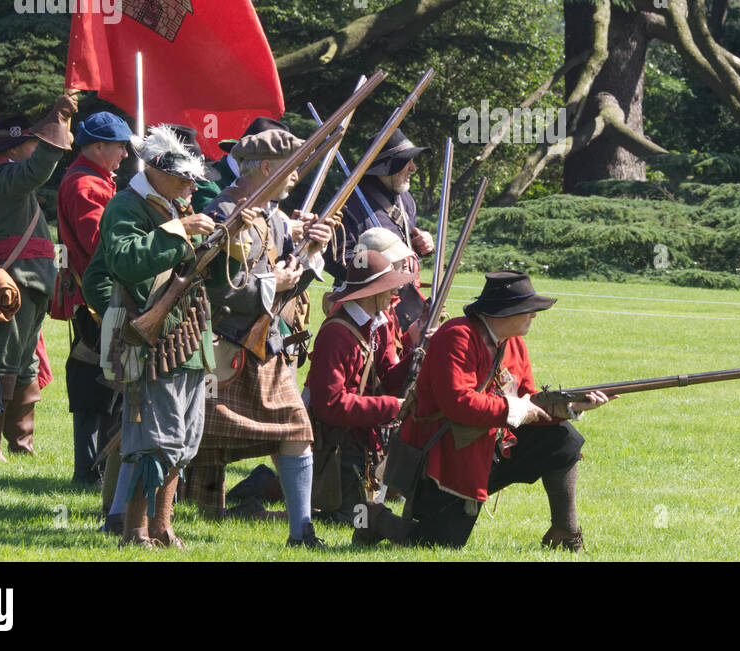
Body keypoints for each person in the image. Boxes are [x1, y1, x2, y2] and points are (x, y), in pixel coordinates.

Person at [364, 272, 609, 550]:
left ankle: (565, 531)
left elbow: (528, 401)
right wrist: (516, 408)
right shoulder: (456, 336)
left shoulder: (512, 341)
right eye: (528, 311)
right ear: (505, 312)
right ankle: (377, 519)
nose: (534, 317)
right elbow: (459, 404)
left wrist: (568, 408)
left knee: (563, 438)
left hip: (489, 447)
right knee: (441, 543)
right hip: (445, 457)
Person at [190, 129, 333, 548]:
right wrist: (272, 283)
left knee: (297, 432)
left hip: (263, 345)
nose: (296, 178)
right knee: (178, 439)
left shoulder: (271, 214)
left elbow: (287, 278)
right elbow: (216, 289)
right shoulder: (225, 212)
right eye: (291, 169)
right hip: (224, 347)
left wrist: (310, 250)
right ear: (268, 168)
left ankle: (301, 532)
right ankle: (125, 517)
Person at [82, 123, 219, 548]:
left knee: (182, 441)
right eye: (183, 177)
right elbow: (122, 263)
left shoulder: (176, 207)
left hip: (189, 338)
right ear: (156, 169)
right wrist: (123, 317)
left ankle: (163, 524)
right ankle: (135, 529)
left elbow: (214, 279)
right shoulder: (128, 206)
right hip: (151, 341)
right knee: (152, 439)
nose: (190, 186)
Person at [0, 92, 77, 460]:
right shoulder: (3, 178)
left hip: (27, 284)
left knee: (25, 364)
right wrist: (58, 120)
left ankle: (21, 443)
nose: (34, 148)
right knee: (0, 363)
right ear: (14, 149)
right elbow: (39, 169)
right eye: (31, 142)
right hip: (15, 284)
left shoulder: (2, 177)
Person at [305, 249, 417, 526]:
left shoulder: (377, 325)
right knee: (351, 519)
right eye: (388, 284)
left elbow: (386, 379)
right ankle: (257, 498)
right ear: (371, 291)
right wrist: (393, 407)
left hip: (359, 436)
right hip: (335, 440)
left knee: (362, 514)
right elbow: (329, 404)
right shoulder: (336, 333)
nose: (395, 290)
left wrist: (417, 353)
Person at [54, 110, 131, 488]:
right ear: (99, 146)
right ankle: (90, 473)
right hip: (98, 300)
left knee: (107, 388)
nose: (125, 155)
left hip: (95, 298)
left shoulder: (95, 180)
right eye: (119, 147)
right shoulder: (88, 186)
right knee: (95, 388)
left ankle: (98, 471)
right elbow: (100, 244)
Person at [327, 129, 434, 281]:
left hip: (404, 291)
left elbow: (404, 242)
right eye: (406, 161)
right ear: (389, 167)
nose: (413, 168)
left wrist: (421, 243)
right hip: (368, 299)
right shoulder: (349, 205)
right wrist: (381, 270)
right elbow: (338, 258)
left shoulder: (405, 199)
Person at [192, 116, 290, 213]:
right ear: (265, 166)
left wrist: (284, 225)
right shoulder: (204, 183)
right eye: (280, 166)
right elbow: (213, 224)